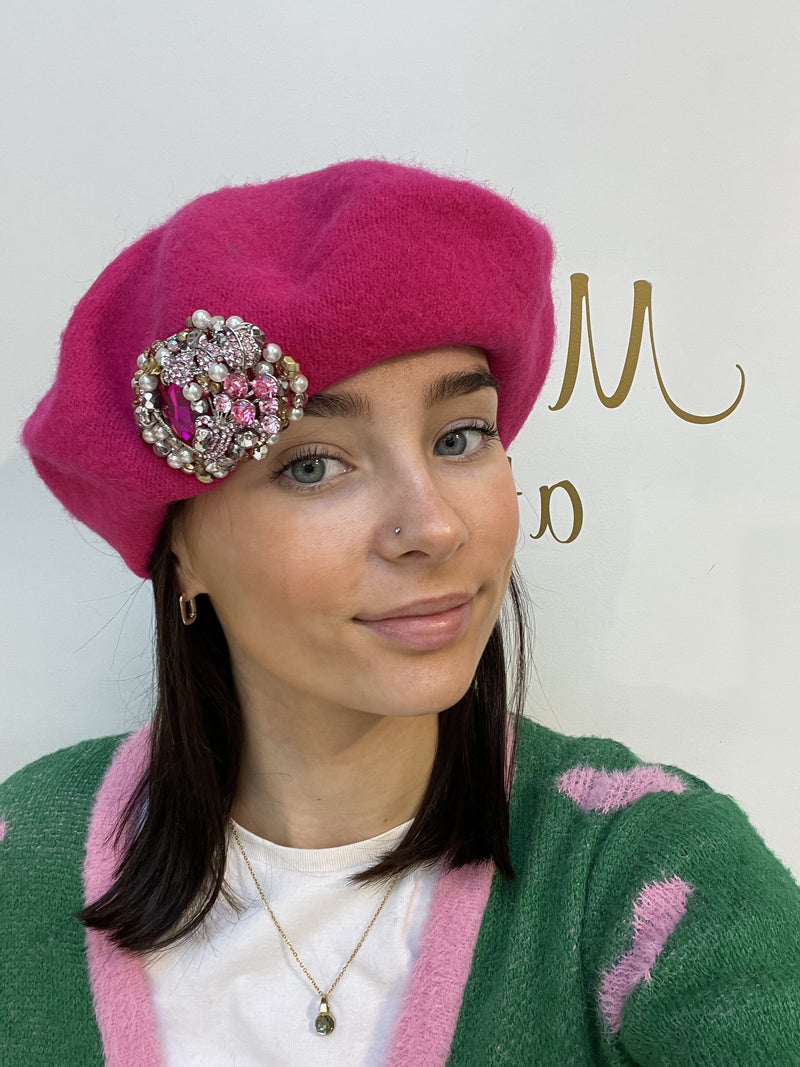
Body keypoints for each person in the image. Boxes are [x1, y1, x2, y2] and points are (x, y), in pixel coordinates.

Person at [3, 161, 799, 1067]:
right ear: (178, 550)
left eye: (461, 438)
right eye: (313, 464)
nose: (432, 525)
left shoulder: (647, 871)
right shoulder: (23, 857)